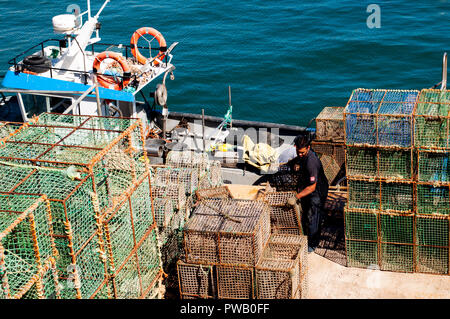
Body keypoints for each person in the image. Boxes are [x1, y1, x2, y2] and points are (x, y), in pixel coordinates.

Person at [287, 134, 329, 251]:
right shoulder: (302, 155)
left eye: (302, 153)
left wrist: (296, 197)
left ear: (309, 148)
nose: (300, 154)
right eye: (298, 152)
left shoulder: (312, 162)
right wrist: (297, 164)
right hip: (307, 188)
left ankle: (313, 243)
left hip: (317, 191)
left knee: (313, 216)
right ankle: (306, 235)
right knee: (305, 213)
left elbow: (312, 187)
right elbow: (299, 159)